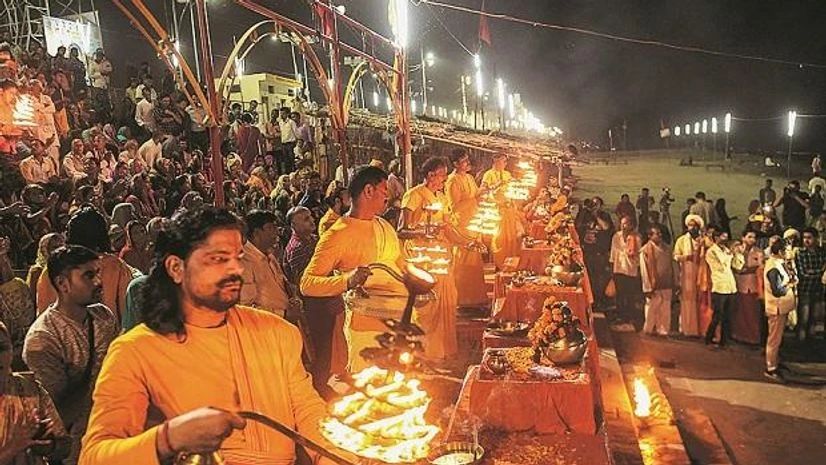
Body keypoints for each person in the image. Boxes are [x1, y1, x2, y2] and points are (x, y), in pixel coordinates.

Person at [79, 207, 340, 465]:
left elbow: (308, 412)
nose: (235, 269)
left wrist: (338, 458)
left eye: (238, 257)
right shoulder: (135, 351)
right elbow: (95, 456)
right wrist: (168, 439)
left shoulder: (277, 332)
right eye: (218, 259)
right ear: (176, 268)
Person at [301, 166, 409, 372]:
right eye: (384, 191)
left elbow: (399, 263)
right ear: (368, 191)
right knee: (370, 393)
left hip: (397, 321)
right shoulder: (337, 234)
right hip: (364, 327)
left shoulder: (384, 225)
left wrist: (415, 277)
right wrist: (347, 281)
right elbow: (307, 284)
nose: (388, 197)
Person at [24, 245, 119, 464]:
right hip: (77, 451)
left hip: (115, 436)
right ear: (62, 284)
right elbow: (57, 410)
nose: (98, 282)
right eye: (88, 275)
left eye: (98, 273)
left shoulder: (103, 316)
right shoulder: (43, 338)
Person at [400, 156, 461, 360]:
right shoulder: (414, 195)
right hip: (422, 257)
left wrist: (466, 241)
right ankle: (423, 350)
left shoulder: (441, 197)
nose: (444, 179)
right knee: (427, 305)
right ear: (429, 175)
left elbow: (447, 227)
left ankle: (442, 348)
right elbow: (401, 230)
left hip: (441, 256)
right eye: (441, 175)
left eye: (444, 175)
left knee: (448, 298)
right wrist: (421, 233)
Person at [283, 206, 345, 396]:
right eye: (304, 219)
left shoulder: (313, 240)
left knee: (328, 345)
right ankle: (319, 387)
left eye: (309, 216)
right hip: (316, 305)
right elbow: (304, 283)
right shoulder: (297, 249)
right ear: (293, 225)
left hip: (326, 299)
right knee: (320, 348)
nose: (311, 220)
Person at [36, 207, 133, 324]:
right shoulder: (115, 266)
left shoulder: (51, 269)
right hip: (107, 338)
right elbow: (127, 314)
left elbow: (42, 314)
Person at [0, 321, 71, 465]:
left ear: (12, 350)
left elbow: (64, 446)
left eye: (2, 348)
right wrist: (12, 447)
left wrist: (47, 445)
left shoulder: (30, 389)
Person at [445, 149, 488, 308]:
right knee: (463, 265)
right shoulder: (452, 181)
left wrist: (484, 193)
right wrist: (474, 199)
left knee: (475, 265)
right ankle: (462, 301)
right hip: (462, 226)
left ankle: (476, 299)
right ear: (456, 164)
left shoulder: (469, 177)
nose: (467, 163)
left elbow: (476, 195)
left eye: (467, 159)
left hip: (474, 224)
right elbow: (454, 207)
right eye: (464, 161)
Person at [239, 209, 294, 318]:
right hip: (266, 329)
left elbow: (282, 285)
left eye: (275, 227)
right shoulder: (244, 262)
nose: (276, 231)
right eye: (270, 228)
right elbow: (246, 308)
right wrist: (283, 315)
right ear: (256, 233)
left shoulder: (269, 255)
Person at [763, 238, 796, 381]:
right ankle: (771, 368)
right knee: (774, 340)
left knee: (778, 338)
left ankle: (776, 362)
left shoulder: (780, 263)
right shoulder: (773, 267)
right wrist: (790, 284)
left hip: (782, 307)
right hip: (776, 308)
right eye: (788, 250)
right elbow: (777, 290)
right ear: (781, 251)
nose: (790, 252)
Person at [481, 153, 522, 269]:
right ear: (495, 161)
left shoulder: (507, 174)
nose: (504, 164)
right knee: (499, 239)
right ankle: (499, 264)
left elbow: (512, 190)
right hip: (496, 211)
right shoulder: (488, 175)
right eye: (501, 161)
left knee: (511, 238)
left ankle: (510, 264)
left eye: (505, 162)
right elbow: (483, 191)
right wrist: (495, 186)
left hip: (509, 210)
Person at [673, 214, 705, 336]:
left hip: (700, 272)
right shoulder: (681, 240)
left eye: (695, 226)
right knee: (687, 301)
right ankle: (686, 328)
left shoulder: (702, 240)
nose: (693, 228)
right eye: (690, 226)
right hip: (686, 272)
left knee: (699, 300)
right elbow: (675, 256)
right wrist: (687, 257)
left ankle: (699, 329)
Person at [639, 225, 673, 336]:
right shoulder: (645, 250)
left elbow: (672, 266)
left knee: (665, 308)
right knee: (651, 308)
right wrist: (648, 287)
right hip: (653, 284)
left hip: (666, 283)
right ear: (650, 236)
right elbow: (644, 271)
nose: (660, 235)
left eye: (660, 233)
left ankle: (663, 330)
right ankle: (648, 329)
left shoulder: (667, 248)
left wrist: (675, 281)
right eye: (656, 234)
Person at [731, 230, 764, 344]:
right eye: (749, 237)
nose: (752, 240)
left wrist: (747, 269)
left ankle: (753, 337)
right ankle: (739, 335)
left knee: (752, 312)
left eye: (754, 237)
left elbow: (759, 267)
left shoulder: (758, 252)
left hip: (753, 286)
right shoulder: (736, 250)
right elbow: (735, 266)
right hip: (739, 284)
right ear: (743, 238)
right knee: (740, 311)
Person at [704, 229, 736, 348]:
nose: (725, 240)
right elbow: (720, 266)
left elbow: (736, 264)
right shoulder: (711, 252)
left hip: (730, 285)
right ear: (716, 238)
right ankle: (709, 338)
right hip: (719, 286)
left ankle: (724, 340)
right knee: (718, 315)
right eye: (723, 237)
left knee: (727, 315)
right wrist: (729, 255)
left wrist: (736, 254)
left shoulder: (726, 250)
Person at [609, 216, 642, 326]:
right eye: (622, 224)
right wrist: (611, 269)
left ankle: (629, 317)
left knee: (629, 295)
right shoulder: (616, 236)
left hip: (630, 270)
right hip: (618, 269)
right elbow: (613, 254)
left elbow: (637, 255)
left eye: (626, 224)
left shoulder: (636, 237)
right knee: (619, 295)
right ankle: (620, 316)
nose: (624, 226)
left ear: (632, 225)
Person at [794, 227, 825, 341]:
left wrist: (815, 271)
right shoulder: (800, 253)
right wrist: (820, 272)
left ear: (816, 239)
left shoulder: (822, 252)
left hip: (818, 290)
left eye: (809, 238)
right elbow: (803, 273)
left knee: (814, 318)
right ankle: (800, 343)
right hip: (805, 289)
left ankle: (812, 344)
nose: (806, 241)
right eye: (804, 238)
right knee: (804, 318)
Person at [277, 107, 298, 174]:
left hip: (290, 143)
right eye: (281, 114)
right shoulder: (280, 123)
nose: (282, 115)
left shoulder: (291, 122)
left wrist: (296, 143)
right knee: (286, 161)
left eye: (283, 114)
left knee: (292, 160)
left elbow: (296, 132)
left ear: (287, 114)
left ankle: (294, 173)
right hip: (283, 144)